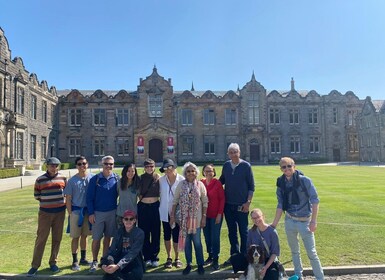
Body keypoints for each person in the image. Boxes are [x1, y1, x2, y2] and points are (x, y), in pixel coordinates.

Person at [271, 157, 324, 280]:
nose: (287, 169)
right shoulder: (280, 183)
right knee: (294, 251)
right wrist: (274, 224)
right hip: (289, 220)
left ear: (294, 166)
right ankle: (298, 276)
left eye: (289, 166)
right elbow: (280, 204)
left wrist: (314, 221)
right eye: (284, 167)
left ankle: (320, 278)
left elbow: (315, 201)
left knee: (312, 253)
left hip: (305, 221)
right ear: (281, 169)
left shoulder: (305, 181)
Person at [27, 157, 67, 277]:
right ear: (47, 166)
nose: (53, 167)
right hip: (45, 213)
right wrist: (48, 203)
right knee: (41, 239)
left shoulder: (63, 178)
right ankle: (35, 265)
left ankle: (53, 262)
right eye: (51, 165)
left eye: (56, 166)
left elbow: (66, 193)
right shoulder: (40, 180)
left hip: (60, 212)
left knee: (57, 238)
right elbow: (37, 196)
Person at [219, 143, 255, 265]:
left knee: (243, 232)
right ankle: (234, 255)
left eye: (235, 151)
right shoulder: (226, 165)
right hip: (228, 205)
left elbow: (251, 186)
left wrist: (248, 203)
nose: (233, 154)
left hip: (242, 205)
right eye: (231, 152)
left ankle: (245, 256)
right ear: (228, 154)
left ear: (239, 152)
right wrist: (207, 184)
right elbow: (221, 181)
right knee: (232, 232)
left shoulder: (246, 166)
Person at [170, 162, 208, 276]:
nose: (191, 173)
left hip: (196, 219)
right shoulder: (181, 185)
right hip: (184, 220)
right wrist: (172, 216)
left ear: (196, 172)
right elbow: (175, 201)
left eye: (193, 171)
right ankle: (189, 264)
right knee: (187, 244)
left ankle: (200, 264)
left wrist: (204, 217)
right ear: (185, 173)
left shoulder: (200, 185)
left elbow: (205, 201)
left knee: (197, 243)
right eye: (188, 171)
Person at [86, 155, 119, 273]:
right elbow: (89, 198)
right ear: (102, 164)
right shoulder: (95, 179)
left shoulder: (116, 178)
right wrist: (91, 213)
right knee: (96, 238)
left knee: (108, 238)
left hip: (112, 212)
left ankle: (104, 260)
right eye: (106, 164)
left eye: (111, 164)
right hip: (98, 213)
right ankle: (94, 260)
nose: (108, 166)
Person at [231, 208, 281, 280]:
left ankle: (263, 272)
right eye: (253, 218)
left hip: (267, 259)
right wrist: (252, 263)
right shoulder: (251, 232)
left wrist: (265, 267)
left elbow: (274, 253)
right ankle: (249, 271)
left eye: (258, 217)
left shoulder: (272, 232)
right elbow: (248, 249)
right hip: (254, 258)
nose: (256, 220)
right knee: (235, 258)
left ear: (263, 216)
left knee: (272, 275)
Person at [64, 156, 94, 271]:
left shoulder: (92, 178)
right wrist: (71, 213)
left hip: (88, 211)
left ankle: (83, 258)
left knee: (85, 236)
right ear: (76, 166)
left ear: (87, 164)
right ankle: (75, 260)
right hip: (76, 211)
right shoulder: (72, 181)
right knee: (75, 236)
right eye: (80, 164)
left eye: (84, 163)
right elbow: (68, 199)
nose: (82, 166)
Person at [101, 209, 145, 280]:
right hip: (119, 259)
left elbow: (133, 253)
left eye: (131, 219)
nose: (128, 221)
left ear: (134, 221)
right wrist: (106, 264)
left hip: (134, 262)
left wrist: (117, 266)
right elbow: (112, 250)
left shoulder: (139, 233)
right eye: (126, 219)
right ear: (123, 220)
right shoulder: (118, 232)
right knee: (107, 277)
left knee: (135, 276)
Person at [158, 158, 185, 269]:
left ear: (174, 167)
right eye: (165, 168)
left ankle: (177, 258)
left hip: (178, 213)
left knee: (176, 236)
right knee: (167, 235)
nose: (168, 170)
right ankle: (169, 257)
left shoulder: (182, 180)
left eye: (170, 167)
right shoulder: (161, 180)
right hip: (165, 212)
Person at [200, 163, 225, 270]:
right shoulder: (200, 183)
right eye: (207, 170)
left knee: (215, 238)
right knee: (207, 237)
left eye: (211, 171)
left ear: (214, 172)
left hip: (216, 215)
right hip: (205, 216)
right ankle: (210, 256)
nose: (209, 173)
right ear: (203, 172)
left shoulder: (217, 183)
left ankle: (215, 259)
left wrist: (219, 214)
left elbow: (222, 199)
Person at [137, 158, 161, 267]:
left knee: (155, 232)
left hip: (155, 206)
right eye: (147, 166)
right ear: (144, 168)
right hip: (143, 207)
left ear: (154, 167)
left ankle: (154, 256)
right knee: (144, 233)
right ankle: (146, 257)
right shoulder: (140, 178)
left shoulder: (158, 178)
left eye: (151, 166)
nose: (149, 168)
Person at [116, 163, 140, 227]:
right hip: (121, 214)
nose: (130, 173)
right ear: (125, 171)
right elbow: (115, 196)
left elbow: (141, 197)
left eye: (133, 171)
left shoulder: (137, 183)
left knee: (132, 235)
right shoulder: (120, 183)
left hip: (133, 214)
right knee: (120, 235)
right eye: (128, 171)